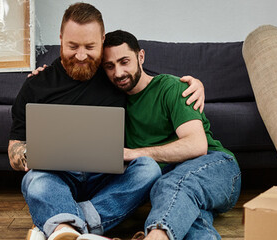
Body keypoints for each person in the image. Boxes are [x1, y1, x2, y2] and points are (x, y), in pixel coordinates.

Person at [8, 3, 206, 240]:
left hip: (108, 176)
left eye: (90, 47)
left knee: (148, 169)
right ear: (60, 39)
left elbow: (153, 82)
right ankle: (82, 229)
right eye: (72, 46)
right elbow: (14, 148)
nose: (81, 56)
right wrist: (30, 155)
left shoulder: (115, 74)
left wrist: (195, 83)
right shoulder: (36, 85)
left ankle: (64, 227)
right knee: (34, 180)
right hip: (58, 176)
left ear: (102, 40)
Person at [101, 30, 241, 240]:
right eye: (110, 66)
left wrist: (134, 153)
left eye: (124, 61)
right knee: (191, 224)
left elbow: (196, 145)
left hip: (216, 167)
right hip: (176, 191)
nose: (118, 72)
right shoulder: (111, 101)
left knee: (168, 185)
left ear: (141, 57)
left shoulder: (171, 87)